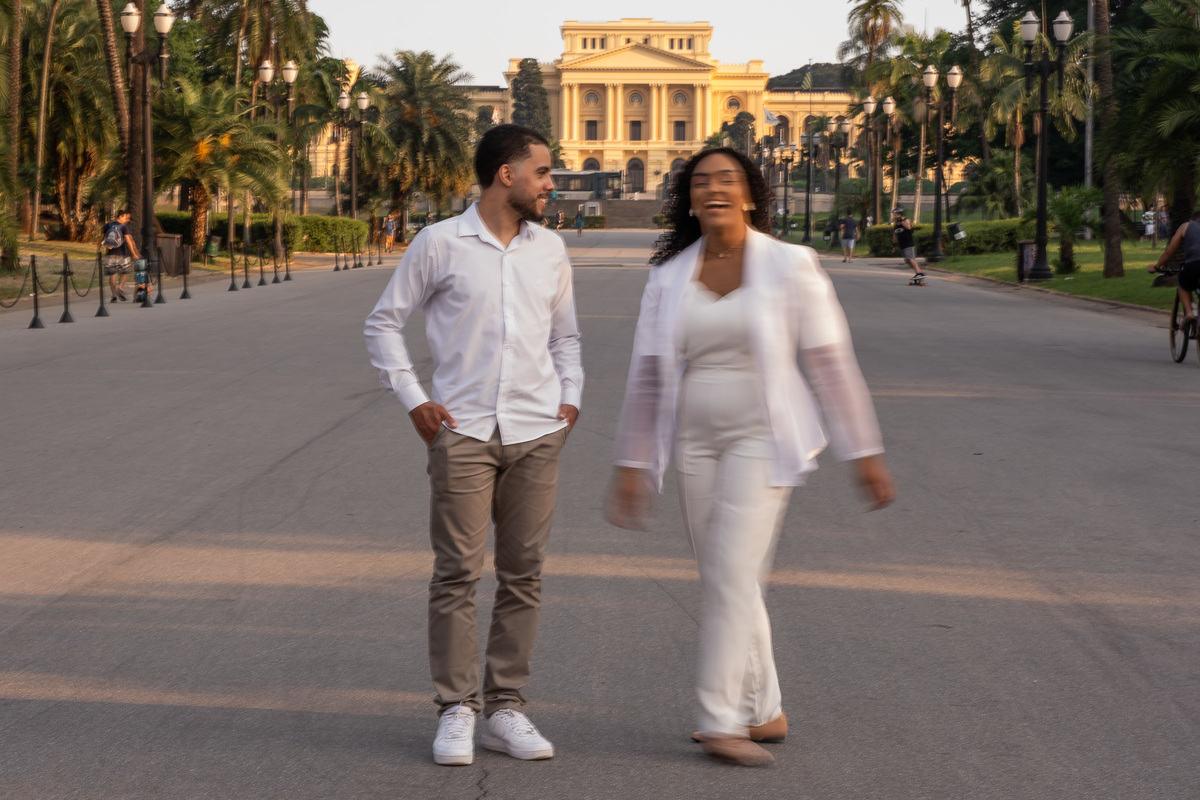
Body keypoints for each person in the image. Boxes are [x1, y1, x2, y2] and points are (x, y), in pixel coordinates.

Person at [605, 148, 895, 767]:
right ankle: (764, 710)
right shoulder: (669, 277)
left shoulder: (790, 265)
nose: (714, 189)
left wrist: (864, 450)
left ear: (750, 195)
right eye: (702, 181)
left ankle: (719, 719)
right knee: (724, 577)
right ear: (688, 199)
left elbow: (830, 361)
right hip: (695, 441)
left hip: (762, 436)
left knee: (734, 575)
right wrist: (632, 461)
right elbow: (649, 376)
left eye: (727, 179)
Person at [364, 124, 583, 767]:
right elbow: (383, 323)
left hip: (538, 432)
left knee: (524, 575)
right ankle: (457, 708)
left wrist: (570, 398)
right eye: (542, 172)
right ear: (506, 175)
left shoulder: (550, 250)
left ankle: (506, 709)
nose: (551, 183)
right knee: (457, 572)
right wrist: (413, 398)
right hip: (462, 433)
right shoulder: (440, 244)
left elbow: (565, 338)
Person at [1148, 207, 1200, 323]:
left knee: (1182, 285)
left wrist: (1156, 267)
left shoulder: (1185, 226)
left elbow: (1170, 250)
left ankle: (1190, 313)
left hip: (1193, 264)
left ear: (1192, 220)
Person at [101, 209, 140, 303]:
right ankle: (120, 287)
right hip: (122, 254)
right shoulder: (124, 227)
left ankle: (114, 295)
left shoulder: (108, 225)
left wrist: (98, 251)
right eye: (125, 217)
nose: (126, 219)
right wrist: (134, 254)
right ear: (121, 216)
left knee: (112, 275)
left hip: (110, 255)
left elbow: (101, 239)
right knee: (125, 272)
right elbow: (129, 241)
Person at [892, 207, 922, 281]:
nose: (893, 216)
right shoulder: (896, 224)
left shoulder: (906, 220)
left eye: (895, 214)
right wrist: (893, 245)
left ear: (899, 214)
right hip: (903, 245)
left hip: (909, 243)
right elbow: (895, 235)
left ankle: (918, 273)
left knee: (910, 258)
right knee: (907, 261)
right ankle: (919, 273)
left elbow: (908, 227)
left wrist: (901, 220)